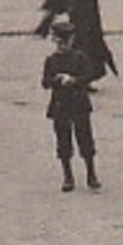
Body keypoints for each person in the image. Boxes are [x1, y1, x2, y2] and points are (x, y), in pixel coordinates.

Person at [41, 19, 102, 193]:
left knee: (85, 139)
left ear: (71, 41)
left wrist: (74, 80)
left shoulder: (80, 58)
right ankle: (68, 175)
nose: (62, 46)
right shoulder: (51, 61)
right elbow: (45, 82)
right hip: (60, 105)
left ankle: (91, 173)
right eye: (59, 42)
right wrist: (56, 79)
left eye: (65, 42)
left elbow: (89, 76)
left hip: (79, 103)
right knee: (63, 140)